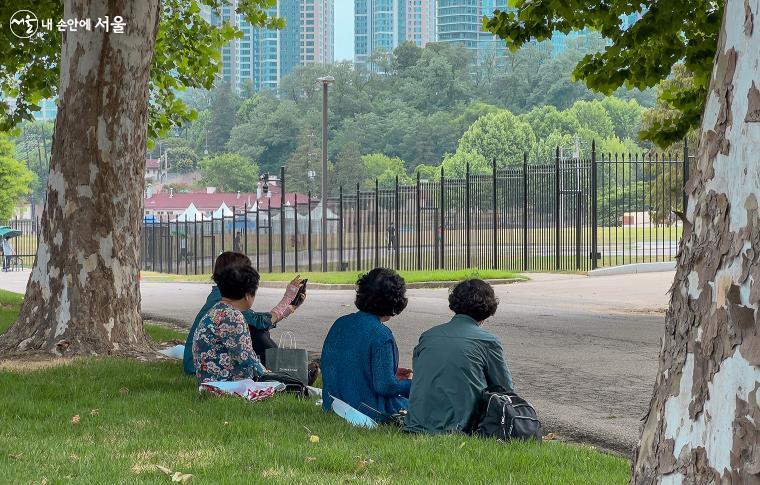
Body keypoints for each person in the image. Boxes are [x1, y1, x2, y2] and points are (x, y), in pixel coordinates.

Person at [404, 279, 513, 434]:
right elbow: (505, 389)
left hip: (416, 424)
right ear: (489, 307)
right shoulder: (488, 341)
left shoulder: (428, 336)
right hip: (461, 427)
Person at [183, 251, 304, 375]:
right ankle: (289, 371)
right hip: (217, 376)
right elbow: (249, 353)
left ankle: (288, 369)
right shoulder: (232, 315)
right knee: (257, 332)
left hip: (203, 371)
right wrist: (267, 374)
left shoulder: (219, 305)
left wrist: (289, 308)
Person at [321, 268, 411, 422]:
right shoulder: (382, 335)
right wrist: (412, 385)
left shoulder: (340, 323)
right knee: (425, 405)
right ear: (395, 300)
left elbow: (348, 367)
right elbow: (385, 386)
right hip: (366, 409)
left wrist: (391, 373)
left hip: (333, 405)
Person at [192, 264, 266, 382]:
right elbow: (247, 360)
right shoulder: (232, 317)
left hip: (209, 380)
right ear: (247, 294)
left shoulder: (217, 310)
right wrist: (273, 376)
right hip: (226, 384)